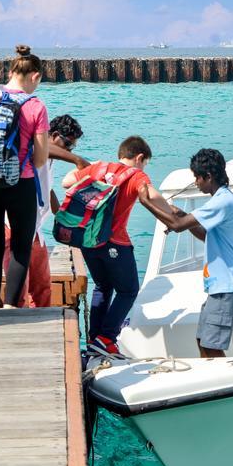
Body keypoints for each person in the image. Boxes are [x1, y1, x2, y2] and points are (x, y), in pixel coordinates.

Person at [61, 136, 172, 355]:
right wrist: (172, 213)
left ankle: (95, 340)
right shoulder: (136, 175)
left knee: (103, 285)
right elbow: (151, 195)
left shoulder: (98, 167)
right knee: (128, 290)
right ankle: (107, 337)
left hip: (88, 240)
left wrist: (89, 168)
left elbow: (67, 181)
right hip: (114, 242)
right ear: (139, 158)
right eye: (145, 162)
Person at [143, 149, 233, 357]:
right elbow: (205, 235)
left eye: (197, 177)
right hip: (220, 285)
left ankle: (223, 384)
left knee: (211, 345)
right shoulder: (221, 200)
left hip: (226, 285)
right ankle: (214, 379)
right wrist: (183, 215)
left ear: (208, 176)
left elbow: (177, 226)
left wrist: (146, 203)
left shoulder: (222, 201)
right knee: (203, 340)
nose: (196, 182)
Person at [0, 45, 49, 308]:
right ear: (35, 76)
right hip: (21, 182)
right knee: (20, 247)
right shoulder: (35, 106)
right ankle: (9, 307)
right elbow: (40, 159)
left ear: (10, 71)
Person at [11, 114, 88, 308]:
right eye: (68, 144)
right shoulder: (36, 150)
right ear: (53, 135)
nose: (69, 150)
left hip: (35, 228)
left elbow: (48, 188)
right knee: (20, 288)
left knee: (42, 286)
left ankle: (40, 323)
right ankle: (18, 323)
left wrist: (61, 214)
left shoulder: (50, 160)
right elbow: (42, 146)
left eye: (73, 147)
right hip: (15, 225)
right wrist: (76, 160)